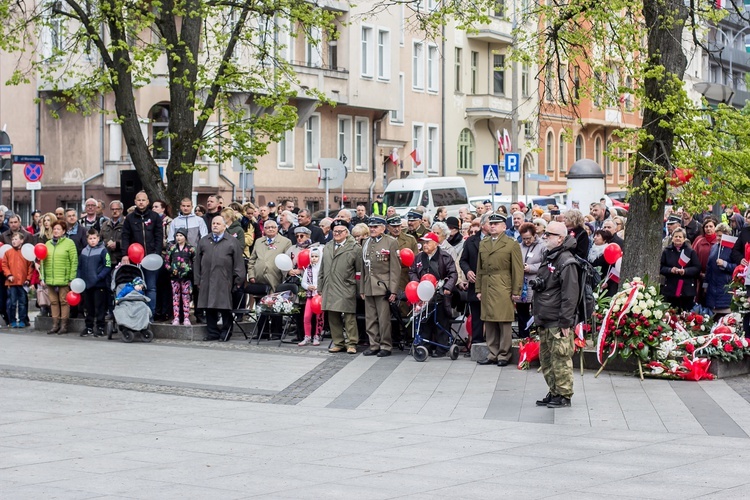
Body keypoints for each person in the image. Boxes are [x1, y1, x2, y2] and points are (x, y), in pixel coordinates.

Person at [534, 221, 581, 409]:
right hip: (546, 316)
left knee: (560, 358)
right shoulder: (551, 256)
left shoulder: (566, 261)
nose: (545, 237)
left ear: (560, 238)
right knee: (546, 359)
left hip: (557, 319)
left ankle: (564, 394)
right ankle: (554, 390)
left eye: (549, 234)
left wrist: (566, 321)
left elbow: (570, 294)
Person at [475, 214, 523, 367]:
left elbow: (517, 269)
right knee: (489, 321)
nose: (493, 226)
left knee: (503, 321)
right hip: (487, 284)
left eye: (497, 223)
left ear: (504, 226)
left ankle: (504, 354)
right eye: (491, 223)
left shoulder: (511, 244)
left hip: (503, 285)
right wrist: (478, 288)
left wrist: (516, 290)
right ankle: (492, 353)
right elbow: (480, 268)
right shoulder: (484, 243)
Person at [194, 216, 245, 342]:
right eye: (213, 223)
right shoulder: (204, 240)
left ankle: (226, 332)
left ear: (224, 226)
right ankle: (212, 332)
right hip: (206, 279)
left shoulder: (232, 241)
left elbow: (239, 262)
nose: (215, 225)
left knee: (224, 307)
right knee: (209, 306)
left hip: (224, 279)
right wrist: (197, 279)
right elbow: (197, 262)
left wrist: (238, 280)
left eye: (218, 223)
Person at [409, 232, 457, 357]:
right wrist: (417, 283)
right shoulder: (419, 257)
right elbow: (412, 271)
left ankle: (442, 349)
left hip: (439, 294)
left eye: (427, 242)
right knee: (424, 322)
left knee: (440, 321)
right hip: (422, 295)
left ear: (435, 244)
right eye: (423, 242)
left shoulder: (445, 257)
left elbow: (453, 274)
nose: (424, 245)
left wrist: (447, 287)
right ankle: (425, 347)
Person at [320, 220, 362, 354]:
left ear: (346, 232)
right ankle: (338, 342)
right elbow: (322, 268)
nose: (337, 234)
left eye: (340, 231)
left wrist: (359, 288)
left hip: (346, 286)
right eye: (335, 231)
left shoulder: (355, 247)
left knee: (349, 317)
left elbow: (359, 272)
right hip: (329, 285)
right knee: (333, 316)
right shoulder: (328, 246)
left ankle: (352, 343)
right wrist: (320, 286)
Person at [360, 216, 400, 357]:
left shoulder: (390, 242)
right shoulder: (365, 242)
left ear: (383, 228)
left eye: (375, 227)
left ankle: (386, 345)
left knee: (384, 320)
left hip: (383, 287)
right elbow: (363, 268)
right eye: (370, 227)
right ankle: (374, 344)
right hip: (368, 285)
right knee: (370, 318)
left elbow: (395, 269)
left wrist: (393, 290)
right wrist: (362, 289)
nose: (372, 229)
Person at [121, 191, 163, 315]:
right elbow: (125, 237)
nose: (141, 202)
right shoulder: (129, 218)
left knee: (151, 287)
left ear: (148, 201)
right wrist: (125, 254)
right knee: (135, 287)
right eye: (138, 200)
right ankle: (137, 314)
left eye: (143, 200)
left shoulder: (155, 217)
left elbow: (159, 237)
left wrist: (157, 254)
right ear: (135, 201)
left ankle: (150, 314)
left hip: (151, 259)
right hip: (134, 259)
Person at [41, 220, 78, 335]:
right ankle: (55, 325)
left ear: (64, 231)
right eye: (54, 229)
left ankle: (64, 326)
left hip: (64, 278)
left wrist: (71, 278)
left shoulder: (69, 243)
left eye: (58, 229)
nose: (56, 231)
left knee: (64, 301)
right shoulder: (47, 244)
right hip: (50, 278)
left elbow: (74, 261)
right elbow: (42, 261)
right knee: (53, 302)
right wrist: (42, 277)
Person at [459, 213, 488, 344]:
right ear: (482, 225)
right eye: (489, 223)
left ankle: (493, 344)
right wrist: (468, 271)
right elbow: (463, 260)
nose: (492, 225)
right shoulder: (470, 241)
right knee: (476, 316)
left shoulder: (498, 240)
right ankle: (476, 343)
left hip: (492, 284)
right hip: (475, 283)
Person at [77, 228, 111, 337]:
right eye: (90, 238)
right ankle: (89, 327)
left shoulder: (103, 250)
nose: (92, 240)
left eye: (94, 238)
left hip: (98, 284)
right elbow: (80, 267)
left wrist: (98, 277)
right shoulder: (84, 251)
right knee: (88, 307)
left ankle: (100, 327)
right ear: (87, 239)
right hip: (86, 285)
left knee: (99, 307)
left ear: (98, 238)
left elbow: (107, 266)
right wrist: (79, 279)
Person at [660, 228, 701, 311]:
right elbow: (661, 267)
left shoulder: (690, 252)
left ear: (684, 239)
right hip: (671, 289)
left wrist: (685, 271)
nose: (678, 238)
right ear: (672, 238)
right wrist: (670, 270)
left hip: (686, 289)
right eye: (676, 236)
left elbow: (697, 268)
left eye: (680, 237)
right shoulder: (666, 251)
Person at [247, 219, 292, 292]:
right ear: (264, 229)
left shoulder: (286, 242)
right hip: (258, 279)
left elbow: (288, 261)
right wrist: (251, 275)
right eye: (267, 227)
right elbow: (252, 260)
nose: (270, 229)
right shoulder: (258, 241)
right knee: (259, 301)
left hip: (276, 279)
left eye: (273, 227)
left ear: (277, 228)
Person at [515, 223, 543, 339]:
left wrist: (531, 267)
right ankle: (523, 337)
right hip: (522, 285)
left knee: (535, 313)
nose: (526, 241)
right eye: (524, 238)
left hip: (534, 283)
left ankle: (535, 337)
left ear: (534, 235)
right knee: (522, 314)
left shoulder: (542, 246)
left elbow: (545, 264)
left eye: (529, 238)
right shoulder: (519, 246)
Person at [165, 228, 196, 326]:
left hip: (186, 277)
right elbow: (166, 261)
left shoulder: (191, 248)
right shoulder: (172, 248)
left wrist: (190, 270)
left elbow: (195, 261)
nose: (178, 238)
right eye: (177, 235)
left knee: (186, 297)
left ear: (185, 237)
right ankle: (176, 317)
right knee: (175, 297)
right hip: (174, 277)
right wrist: (171, 269)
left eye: (181, 235)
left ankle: (186, 317)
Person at [2, 232, 33, 328]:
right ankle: (12, 320)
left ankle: (22, 320)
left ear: (22, 241)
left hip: (23, 282)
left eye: (16, 239)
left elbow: (30, 267)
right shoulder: (8, 253)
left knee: (23, 303)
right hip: (11, 283)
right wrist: (9, 275)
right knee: (12, 303)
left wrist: (28, 278)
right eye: (12, 239)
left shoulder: (25, 252)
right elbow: (4, 265)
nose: (14, 241)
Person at [705, 224, 735, 319]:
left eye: (720, 236)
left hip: (725, 288)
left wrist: (725, 264)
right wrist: (705, 285)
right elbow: (708, 267)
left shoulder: (733, 249)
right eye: (717, 235)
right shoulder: (714, 248)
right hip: (712, 289)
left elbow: (737, 267)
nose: (718, 238)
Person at [299, 247, 324, 346]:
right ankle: (307, 336)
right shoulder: (308, 268)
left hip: (319, 296)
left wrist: (318, 287)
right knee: (306, 316)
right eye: (312, 256)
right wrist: (308, 286)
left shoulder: (322, 269)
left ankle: (317, 336)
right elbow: (303, 282)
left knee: (319, 317)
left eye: (316, 256)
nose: (314, 258)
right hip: (310, 296)